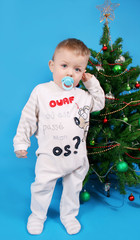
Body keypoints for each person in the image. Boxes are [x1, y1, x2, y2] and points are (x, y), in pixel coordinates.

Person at [13, 38, 105, 235]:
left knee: (73, 189)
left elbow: (99, 104)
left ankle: (68, 216)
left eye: (78, 69)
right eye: (64, 66)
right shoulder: (42, 92)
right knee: (42, 188)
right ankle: (37, 216)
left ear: (83, 72)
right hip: (49, 157)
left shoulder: (81, 95)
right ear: (52, 66)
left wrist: (91, 83)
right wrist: (21, 142)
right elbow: (28, 117)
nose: (70, 73)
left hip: (76, 157)